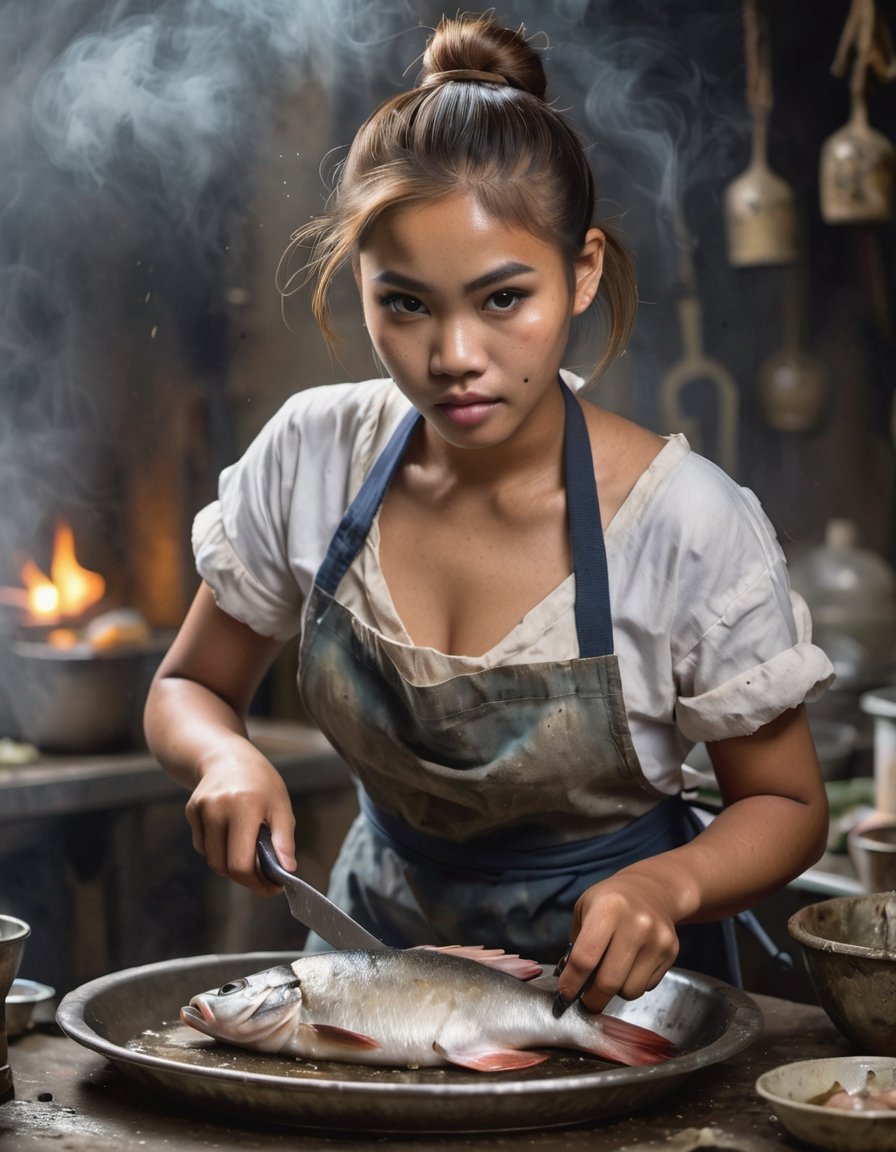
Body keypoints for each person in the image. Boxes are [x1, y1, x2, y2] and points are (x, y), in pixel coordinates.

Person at [144, 12, 833, 1015]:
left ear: (581, 271)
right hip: (371, 969)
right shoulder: (311, 455)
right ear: (360, 286)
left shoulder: (682, 522)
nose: (454, 355)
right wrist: (222, 752)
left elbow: (784, 804)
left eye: (502, 299)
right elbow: (187, 688)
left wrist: (664, 884)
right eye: (407, 304)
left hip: (614, 1004)